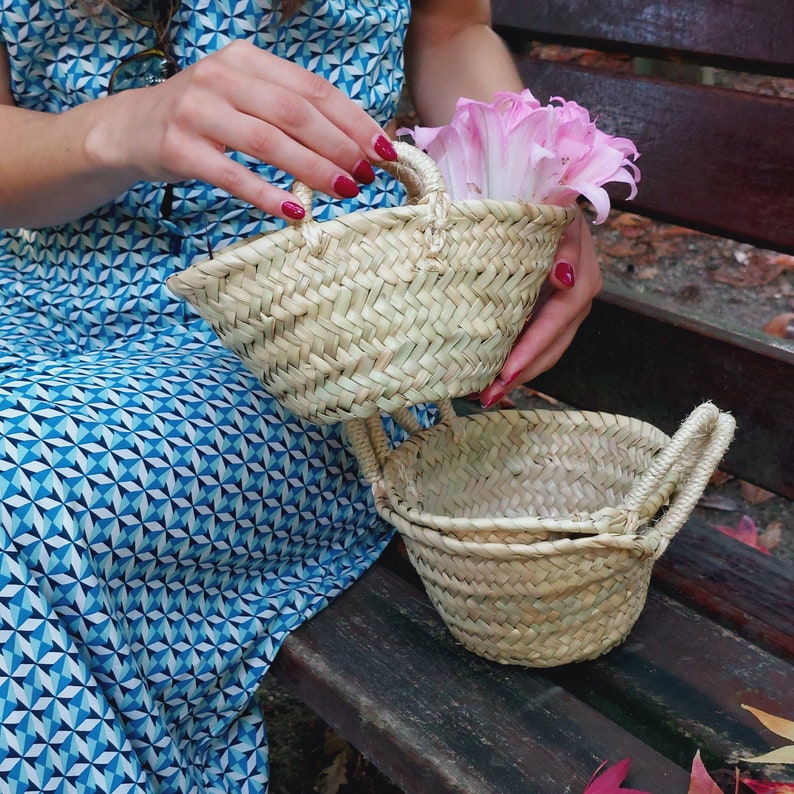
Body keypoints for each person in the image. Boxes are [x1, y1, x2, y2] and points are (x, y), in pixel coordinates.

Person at [0, 0, 602, 791]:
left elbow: (452, 30)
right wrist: (126, 127)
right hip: (39, 310)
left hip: (327, 325)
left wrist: (528, 180)